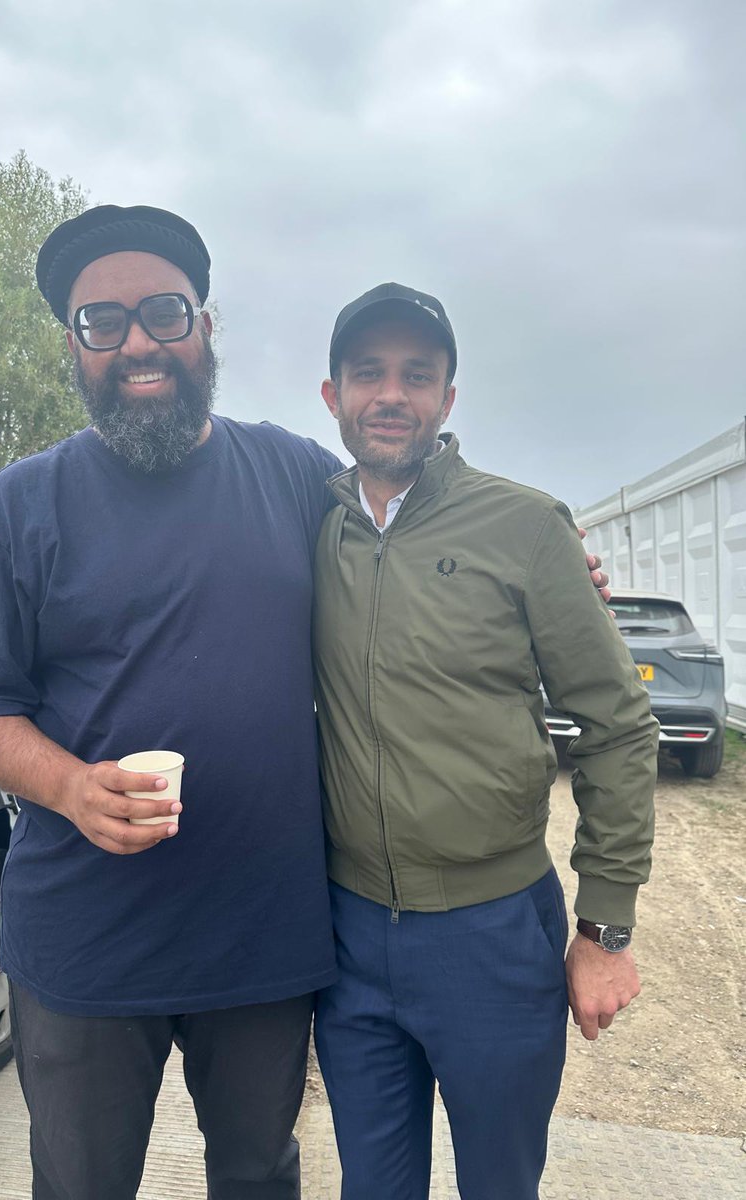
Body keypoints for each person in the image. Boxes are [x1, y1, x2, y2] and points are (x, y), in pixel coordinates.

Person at [0, 205, 611, 1200]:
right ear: (72, 344)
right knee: (79, 1183)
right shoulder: (14, 510)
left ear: (205, 325)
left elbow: (405, 524)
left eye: (164, 310)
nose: (139, 342)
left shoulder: (291, 476)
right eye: (101, 322)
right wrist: (68, 787)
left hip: (265, 942)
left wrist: (552, 559)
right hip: (83, 946)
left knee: (259, 1175)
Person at [310, 282, 659, 1200]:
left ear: (448, 400)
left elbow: (619, 726)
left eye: (417, 376)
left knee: (500, 1186)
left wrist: (605, 927)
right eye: (369, 373)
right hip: (347, 937)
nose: (392, 394)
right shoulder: (307, 527)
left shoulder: (527, 527)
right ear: (332, 395)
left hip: (492, 937)